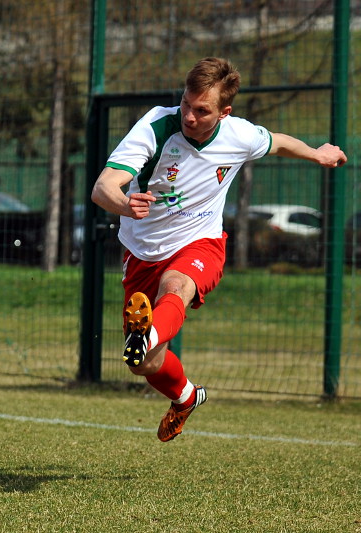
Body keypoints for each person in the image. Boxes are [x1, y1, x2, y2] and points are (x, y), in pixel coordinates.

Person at [91, 57, 347, 442]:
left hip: (201, 242)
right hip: (142, 252)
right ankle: (186, 397)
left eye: (202, 110)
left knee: (176, 286)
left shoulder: (238, 135)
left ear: (224, 113)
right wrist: (125, 204)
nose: (189, 116)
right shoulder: (156, 126)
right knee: (144, 365)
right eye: (186, 103)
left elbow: (278, 142)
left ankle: (147, 334)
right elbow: (103, 187)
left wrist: (316, 153)